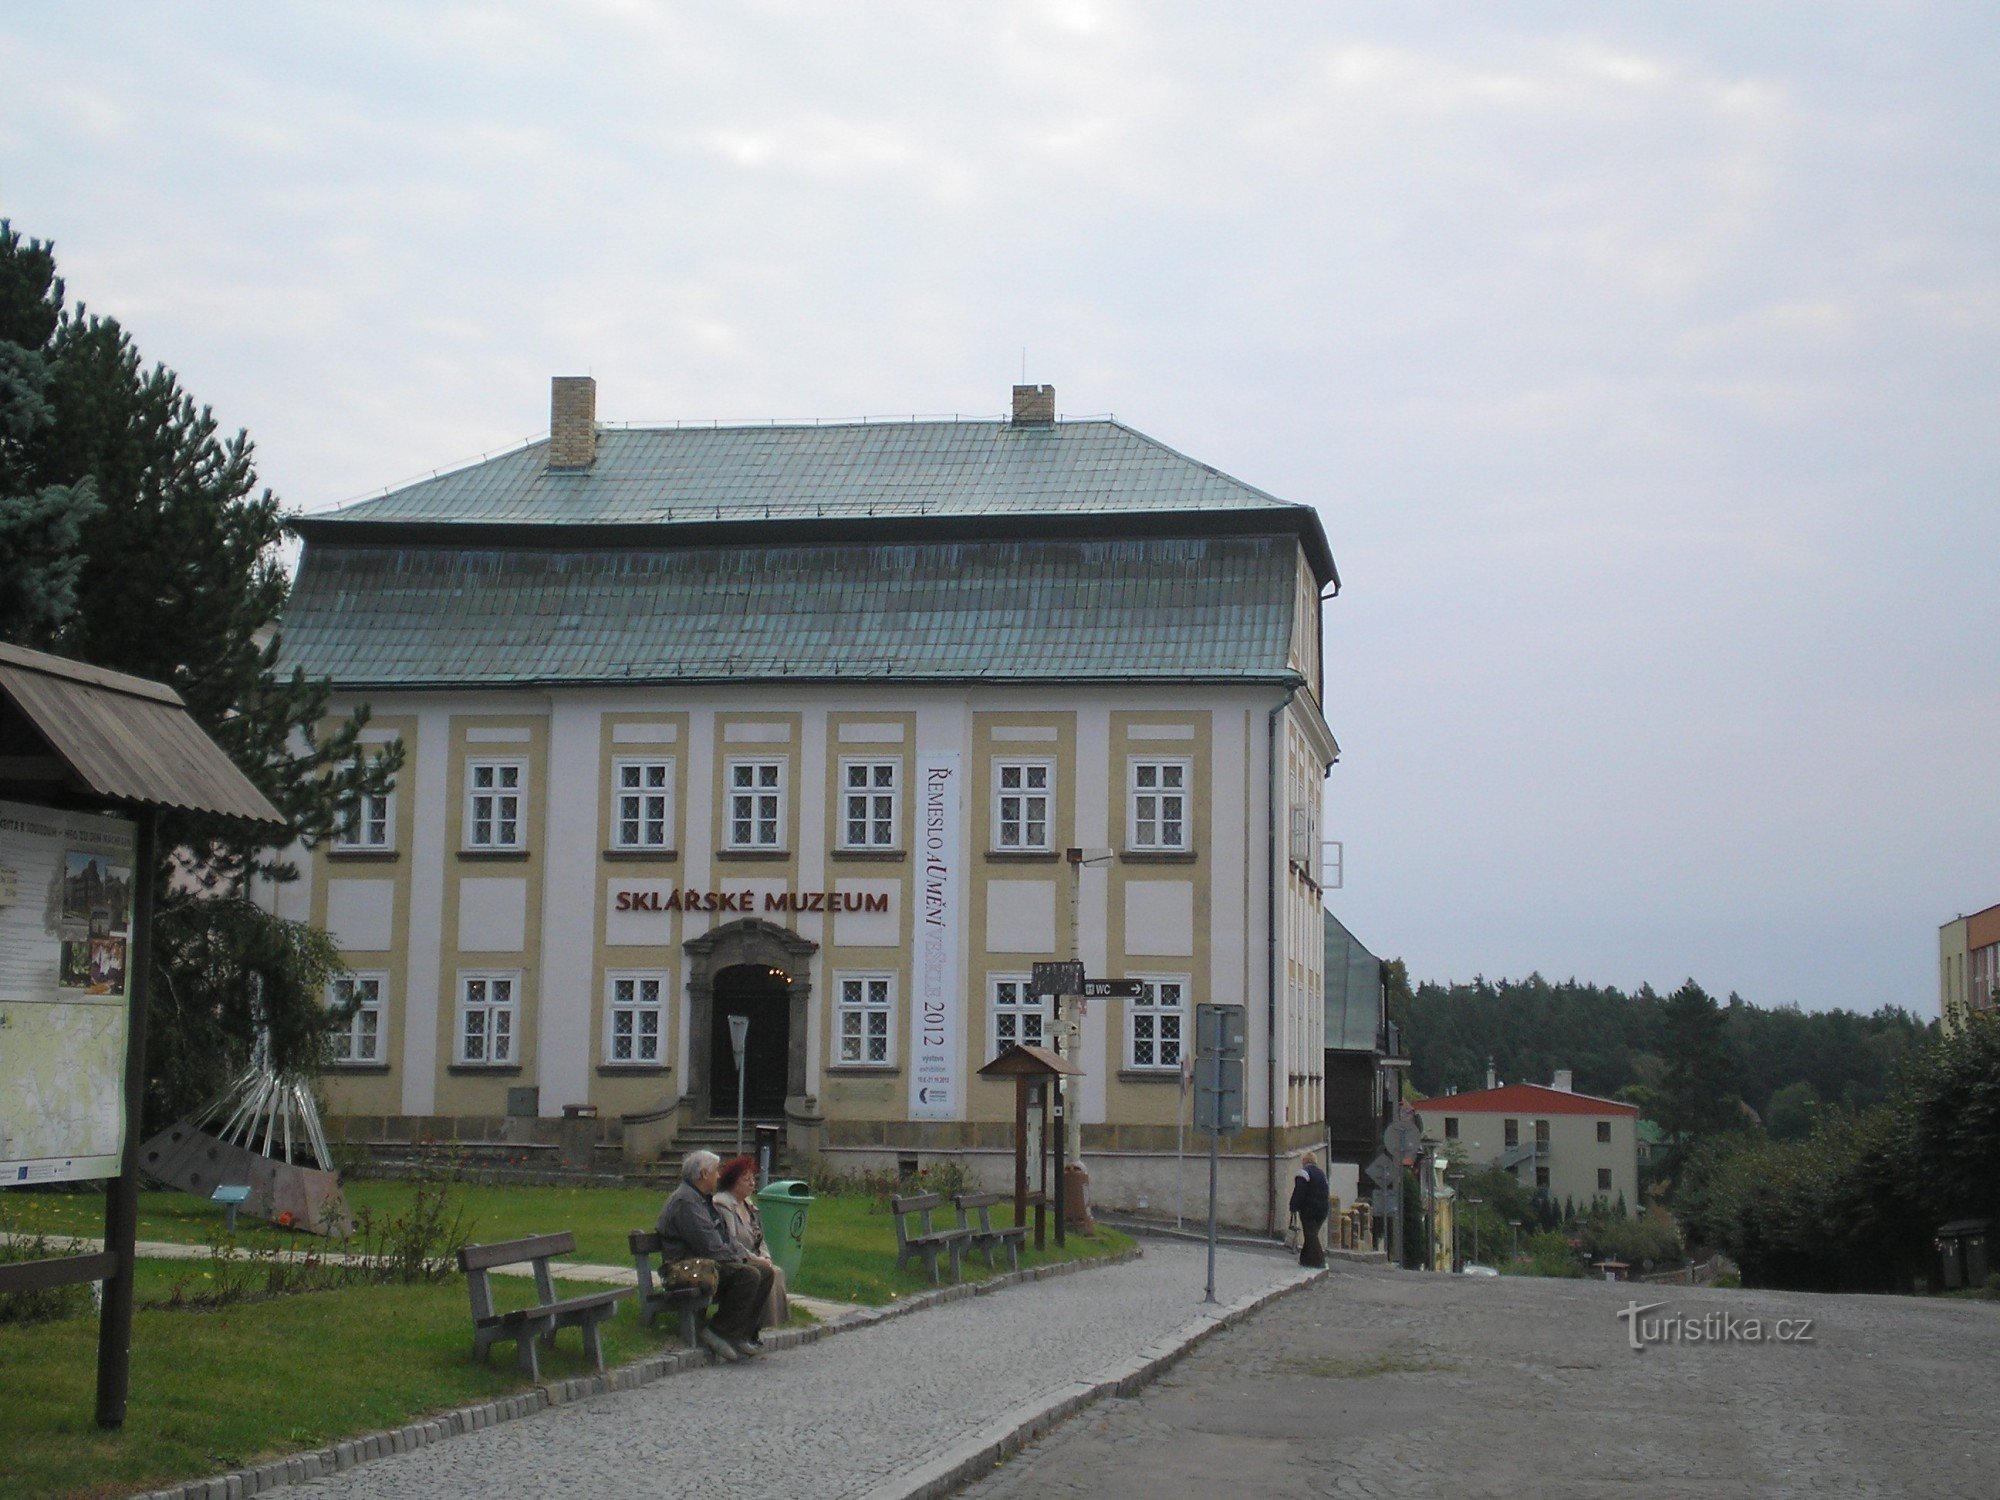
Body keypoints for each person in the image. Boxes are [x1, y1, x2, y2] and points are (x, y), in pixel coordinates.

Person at [656, 1149, 775, 1362]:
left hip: (704, 1262)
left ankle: (740, 1332)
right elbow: (711, 1247)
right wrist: (743, 1260)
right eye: (715, 1171)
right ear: (703, 1174)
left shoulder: (700, 1199)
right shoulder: (687, 1202)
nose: (719, 1176)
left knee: (764, 1272)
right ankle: (717, 1331)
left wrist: (750, 1258)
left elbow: (724, 1240)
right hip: (685, 1267)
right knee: (748, 1275)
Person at [712, 1155, 789, 1336]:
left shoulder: (748, 1205)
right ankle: (749, 1328)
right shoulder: (723, 1203)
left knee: (775, 1270)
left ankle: (754, 1327)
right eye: (746, 1179)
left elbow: (759, 1238)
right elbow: (731, 1240)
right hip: (737, 1257)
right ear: (733, 1181)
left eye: (753, 1178)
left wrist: (766, 1257)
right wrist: (755, 1259)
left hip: (752, 1257)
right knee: (763, 1273)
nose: (752, 1183)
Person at [1290, 1151, 1330, 1268]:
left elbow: (1299, 1191)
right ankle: (1305, 1259)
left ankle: (1319, 1261)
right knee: (1312, 1234)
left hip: (1309, 1209)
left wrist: (1293, 1206)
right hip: (1323, 1209)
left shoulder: (1304, 1173)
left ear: (1305, 1161)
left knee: (1311, 1235)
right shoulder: (1321, 1174)